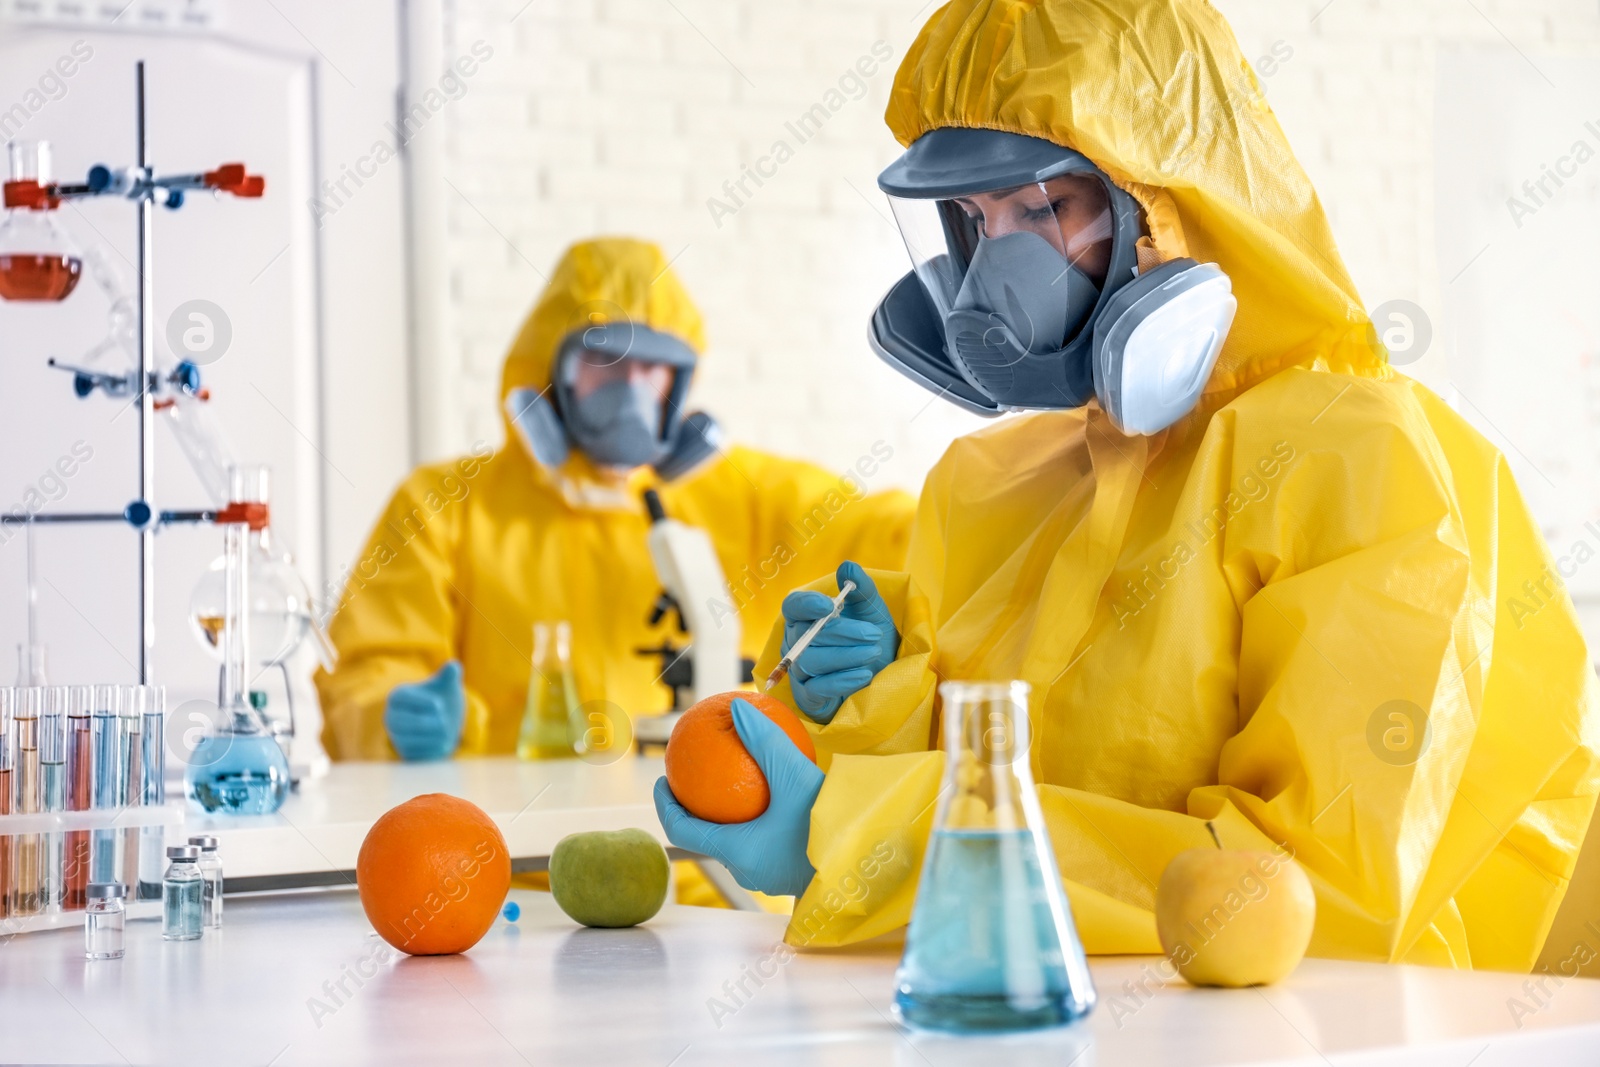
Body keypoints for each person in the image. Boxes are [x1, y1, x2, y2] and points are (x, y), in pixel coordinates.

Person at [655, 0, 1600, 970]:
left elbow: (1296, 893)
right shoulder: (987, 480)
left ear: (1164, 204)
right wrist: (862, 702)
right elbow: (978, 777)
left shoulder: (1349, 459)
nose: (993, 267)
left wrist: (866, 837)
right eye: (975, 220)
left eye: (1040, 208)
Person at [315, 237, 915, 764]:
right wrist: (390, 718)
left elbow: (896, 532)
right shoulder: (445, 508)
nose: (630, 390)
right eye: (604, 359)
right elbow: (364, 675)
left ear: (679, 382)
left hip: (697, 859)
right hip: (508, 865)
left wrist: (989, 495)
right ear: (551, 371)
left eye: (652, 367)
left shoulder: (754, 499)